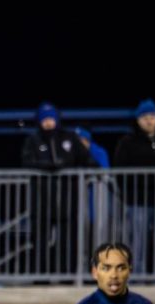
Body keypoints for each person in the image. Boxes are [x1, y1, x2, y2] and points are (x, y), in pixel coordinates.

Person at [21, 103, 94, 271]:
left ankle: (67, 276)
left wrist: (85, 171)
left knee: (68, 243)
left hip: (67, 203)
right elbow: (26, 163)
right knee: (39, 243)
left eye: (51, 118)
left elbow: (87, 159)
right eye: (45, 119)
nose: (48, 122)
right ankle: (40, 278)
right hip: (41, 203)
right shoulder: (32, 140)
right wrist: (47, 166)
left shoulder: (69, 138)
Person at [114, 100, 155, 274]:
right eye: (144, 117)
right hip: (138, 202)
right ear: (137, 120)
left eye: (152, 116)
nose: (149, 120)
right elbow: (120, 171)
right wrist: (128, 194)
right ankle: (137, 281)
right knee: (137, 245)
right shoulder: (127, 142)